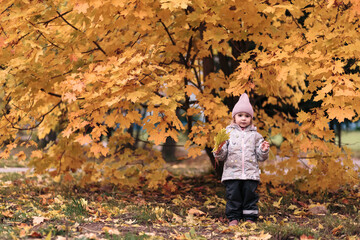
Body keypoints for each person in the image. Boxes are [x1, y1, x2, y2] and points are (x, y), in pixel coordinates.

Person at [214, 93, 270, 226]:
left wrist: (263, 149)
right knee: (233, 196)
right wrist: (218, 150)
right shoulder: (227, 134)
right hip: (232, 173)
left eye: (247, 116)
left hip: (250, 173)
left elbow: (260, 157)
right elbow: (222, 156)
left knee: (250, 196)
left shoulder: (256, 136)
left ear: (251, 118)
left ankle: (250, 218)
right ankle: (234, 217)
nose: (243, 119)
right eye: (240, 115)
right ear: (234, 117)